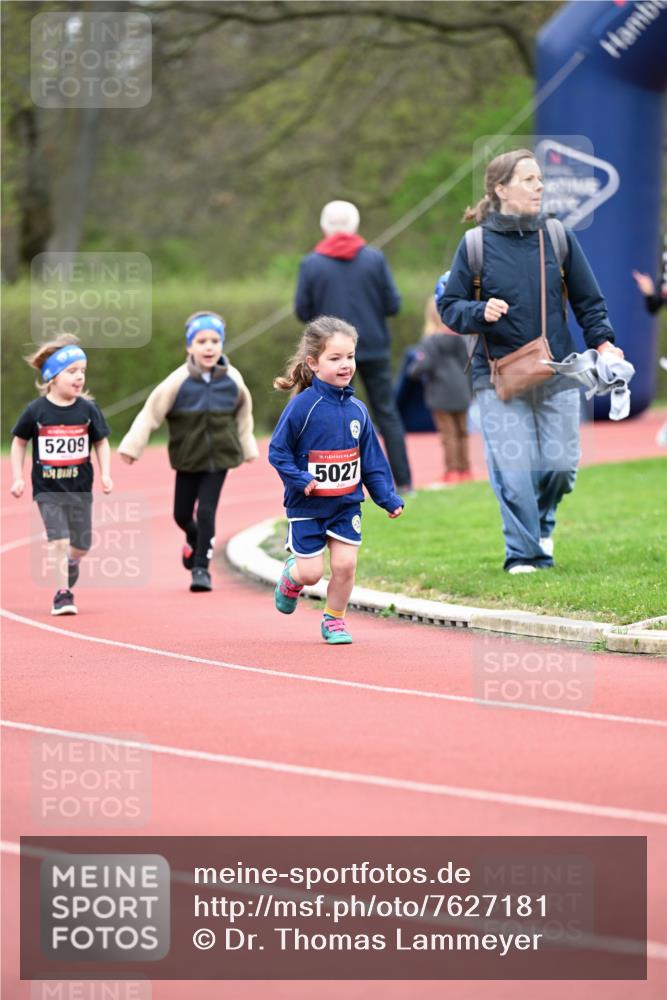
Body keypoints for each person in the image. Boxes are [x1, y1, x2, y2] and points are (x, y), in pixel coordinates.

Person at [439, 148, 623, 574]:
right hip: (497, 377)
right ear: (501, 189)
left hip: (558, 373)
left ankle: (541, 526)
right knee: (514, 470)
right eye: (529, 179)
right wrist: (478, 311)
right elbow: (450, 306)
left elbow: (588, 301)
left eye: (540, 178)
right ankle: (524, 554)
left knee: (560, 468)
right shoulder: (475, 245)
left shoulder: (558, 236)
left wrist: (605, 344)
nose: (540, 186)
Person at [269, 315, 403, 645]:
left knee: (345, 566)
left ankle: (334, 620)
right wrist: (300, 478)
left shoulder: (358, 410)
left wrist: (387, 497)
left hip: (346, 504)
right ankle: (292, 576)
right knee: (311, 573)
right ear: (313, 363)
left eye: (350, 356)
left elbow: (372, 461)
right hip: (307, 505)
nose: (345, 365)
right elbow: (278, 451)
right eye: (335, 358)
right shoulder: (302, 407)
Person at [118, 310, 258, 592]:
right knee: (181, 515)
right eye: (201, 341)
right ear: (189, 346)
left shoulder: (232, 379)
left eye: (215, 341)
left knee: (206, 512)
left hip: (220, 457)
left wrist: (248, 447)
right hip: (187, 458)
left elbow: (244, 414)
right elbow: (150, 414)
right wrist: (133, 446)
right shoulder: (177, 381)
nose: (209, 347)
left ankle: (201, 569)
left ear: (221, 344)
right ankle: (195, 539)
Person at [294, 199, 413, 493]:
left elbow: (302, 311)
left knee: (335, 414)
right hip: (373, 346)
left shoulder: (311, 264)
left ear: (324, 227)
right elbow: (393, 304)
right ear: (355, 225)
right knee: (387, 413)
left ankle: (342, 483)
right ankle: (404, 482)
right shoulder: (375, 259)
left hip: (330, 353)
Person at [10, 334, 113, 615]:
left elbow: (101, 442)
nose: (79, 377)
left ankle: (72, 562)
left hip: (80, 489)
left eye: (82, 371)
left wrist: (106, 473)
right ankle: (62, 594)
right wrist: (18, 477)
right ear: (52, 377)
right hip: (48, 490)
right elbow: (19, 442)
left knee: (81, 545)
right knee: (58, 540)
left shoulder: (88, 410)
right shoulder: (36, 411)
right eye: (71, 371)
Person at [408, 290, 473, 484]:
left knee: (448, 435)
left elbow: (423, 366)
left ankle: (452, 471)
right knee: (462, 432)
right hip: (461, 391)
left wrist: (412, 369)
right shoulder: (460, 338)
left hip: (440, 393)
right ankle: (465, 469)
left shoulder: (429, 341)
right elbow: (468, 364)